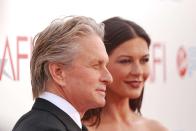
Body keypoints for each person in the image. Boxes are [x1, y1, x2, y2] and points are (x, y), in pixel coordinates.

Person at [12, 16, 113, 131]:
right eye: (96, 66)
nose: (109, 78)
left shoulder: (65, 125)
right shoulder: (43, 128)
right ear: (58, 72)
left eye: (105, 65)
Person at [82, 17, 168, 131]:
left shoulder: (155, 128)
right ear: (100, 63)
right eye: (125, 61)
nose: (138, 71)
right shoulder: (79, 128)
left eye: (144, 60)